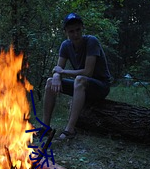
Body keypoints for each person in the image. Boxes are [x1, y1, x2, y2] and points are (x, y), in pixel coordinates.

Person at [41, 12, 112, 140]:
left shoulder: (91, 41)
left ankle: (70, 130)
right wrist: (56, 76)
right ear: (66, 32)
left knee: (80, 79)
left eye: (78, 30)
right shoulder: (65, 45)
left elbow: (87, 72)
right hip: (81, 85)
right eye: (71, 31)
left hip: (100, 86)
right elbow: (58, 69)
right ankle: (46, 127)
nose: (75, 34)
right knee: (50, 81)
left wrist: (61, 72)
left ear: (82, 28)